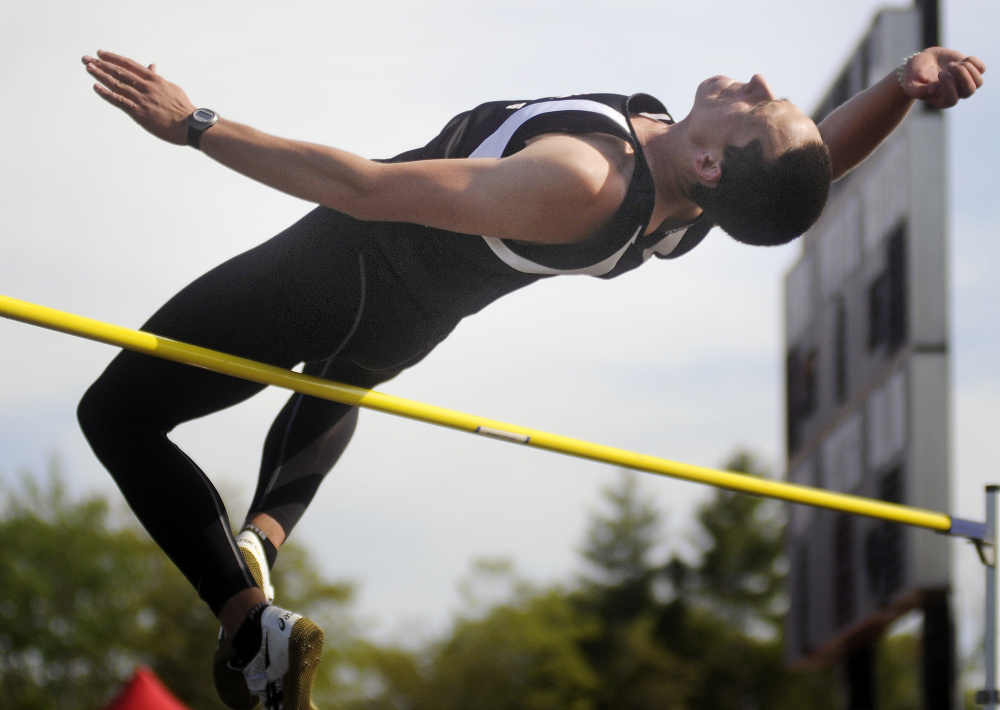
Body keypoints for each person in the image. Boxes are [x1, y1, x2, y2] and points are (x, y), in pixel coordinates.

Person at [76, 46, 983, 710]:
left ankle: (247, 626)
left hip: (337, 272)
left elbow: (363, 189)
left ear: (713, 162)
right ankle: (260, 549)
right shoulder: (698, 205)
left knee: (117, 415)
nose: (756, 81)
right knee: (343, 382)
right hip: (411, 317)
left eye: (757, 106)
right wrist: (901, 87)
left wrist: (195, 126)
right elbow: (809, 163)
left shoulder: (584, 178)